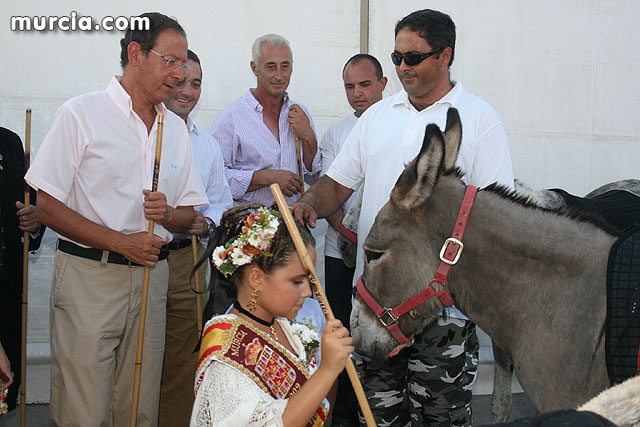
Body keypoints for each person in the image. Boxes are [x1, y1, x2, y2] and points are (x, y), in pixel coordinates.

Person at [293, 9, 514, 426]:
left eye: (413, 58)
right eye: (396, 58)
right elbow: (337, 184)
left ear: (445, 55)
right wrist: (307, 204)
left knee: (440, 421)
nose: (401, 68)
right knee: (376, 417)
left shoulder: (480, 119)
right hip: (375, 306)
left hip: (442, 312)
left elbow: (494, 219)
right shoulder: (378, 115)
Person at [24, 12, 208, 426]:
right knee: (83, 409)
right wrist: (119, 241)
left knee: (138, 407)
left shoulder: (175, 129)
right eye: (171, 61)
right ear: (135, 54)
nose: (180, 75)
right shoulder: (81, 114)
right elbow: (47, 205)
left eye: (184, 64)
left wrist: (169, 214)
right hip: (90, 276)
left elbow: (189, 215)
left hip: (152, 279)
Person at [190, 205, 353, 427]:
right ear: (256, 278)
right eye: (297, 281)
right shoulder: (225, 356)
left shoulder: (284, 328)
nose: (307, 292)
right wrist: (327, 370)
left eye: (310, 280)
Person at [159, 49, 233, 427]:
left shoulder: (207, 144)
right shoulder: (143, 133)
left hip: (189, 258)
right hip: (145, 257)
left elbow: (220, 202)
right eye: (180, 80)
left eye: (196, 83)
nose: (187, 91)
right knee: (143, 350)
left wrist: (204, 221)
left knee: (184, 352)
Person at [318, 54, 387, 427]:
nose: (357, 94)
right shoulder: (336, 134)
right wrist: (350, 238)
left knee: (379, 335)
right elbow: (331, 190)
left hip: (386, 260)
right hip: (338, 255)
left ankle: (376, 411)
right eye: (349, 86)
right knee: (342, 333)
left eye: (364, 84)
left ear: (382, 83)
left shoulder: (399, 128)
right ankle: (344, 415)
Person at [212, 34, 321, 207]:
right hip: (248, 227)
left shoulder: (299, 113)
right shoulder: (231, 116)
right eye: (271, 67)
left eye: (285, 66)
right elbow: (216, 179)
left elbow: (315, 178)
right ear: (255, 68)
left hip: (292, 223)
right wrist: (267, 177)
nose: (279, 75)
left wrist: (309, 139)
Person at [0, 127, 44, 415]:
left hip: (6, 281)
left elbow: (29, 204)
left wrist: (34, 223)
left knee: (4, 380)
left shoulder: (9, 142)